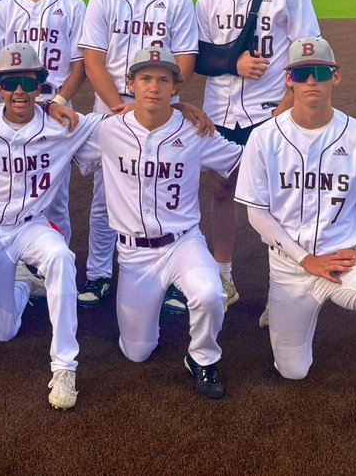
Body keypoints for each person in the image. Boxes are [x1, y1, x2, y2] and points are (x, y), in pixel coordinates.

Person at [235, 37, 356, 455]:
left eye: (321, 73)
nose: (312, 81)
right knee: (293, 371)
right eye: (301, 74)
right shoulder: (264, 137)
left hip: (341, 264)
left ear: (336, 76)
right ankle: (281, 308)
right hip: (290, 267)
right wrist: (303, 258)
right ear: (289, 80)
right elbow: (257, 214)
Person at [76, 47, 243, 399]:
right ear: (130, 83)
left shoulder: (196, 131)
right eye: (146, 78)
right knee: (136, 352)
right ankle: (155, 306)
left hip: (184, 244)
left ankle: (203, 357)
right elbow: (52, 126)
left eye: (163, 79)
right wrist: (52, 105)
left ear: (175, 87)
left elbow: (244, 157)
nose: (154, 86)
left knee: (210, 293)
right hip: (134, 255)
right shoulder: (106, 130)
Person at [0, 44, 103, 410]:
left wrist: (179, 108)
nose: (18, 90)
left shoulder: (62, 125)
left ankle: (65, 365)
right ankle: (22, 284)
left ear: (40, 85)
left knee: (61, 258)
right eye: (9, 82)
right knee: (2, 332)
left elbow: (130, 120)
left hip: (32, 226)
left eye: (27, 81)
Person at [195, 0, 320, 319]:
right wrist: (234, 62)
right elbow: (199, 57)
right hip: (221, 111)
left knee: (278, 201)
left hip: (272, 111)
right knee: (222, 188)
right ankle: (224, 276)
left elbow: (306, 56)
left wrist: (286, 109)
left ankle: (281, 293)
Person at [77, 0, 200, 307]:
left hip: (162, 106)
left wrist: (156, 102)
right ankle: (98, 274)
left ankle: (178, 276)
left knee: (172, 192)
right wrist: (118, 105)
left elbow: (185, 61)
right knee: (104, 198)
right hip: (112, 107)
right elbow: (93, 60)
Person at [0, 0, 85, 244]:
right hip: (14, 107)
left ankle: (56, 268)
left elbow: (80, 64)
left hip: (56, 104)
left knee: (56, 197)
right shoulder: (4, 9)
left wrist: (58, 103)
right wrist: (10, 103)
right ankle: (16, 265)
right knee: (13, 186)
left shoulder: (73, 5)